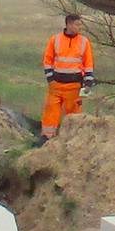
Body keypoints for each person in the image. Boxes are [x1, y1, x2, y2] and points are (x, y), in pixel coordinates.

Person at [40, 11, 95, 140]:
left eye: (80, 25)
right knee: (50, 113)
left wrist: (88, 83)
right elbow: (47, 60)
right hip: (56, 85)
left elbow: (89, 63)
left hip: (74, 86)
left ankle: (72, 139)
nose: (80, 27)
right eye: (77, 24)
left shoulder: (84, 42)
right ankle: (46, 139)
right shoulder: (55, 39)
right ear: (69, 25)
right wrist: (51, 79)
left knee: (74, 116)